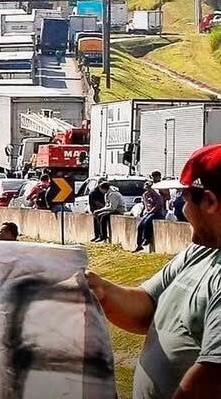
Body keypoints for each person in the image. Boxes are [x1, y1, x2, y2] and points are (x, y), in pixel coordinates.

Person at [86, 144, 221, 398]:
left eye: (185, 199)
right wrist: (101, 290)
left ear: (210, 201)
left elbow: (212, 380)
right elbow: (148, 307)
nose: (182, 209)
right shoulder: (202, 250)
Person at [135, 180, 165, 252]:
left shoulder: (157, 195)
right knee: (140, 225)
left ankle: (147, 238)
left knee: (147, 222)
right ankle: (139, 244)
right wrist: (146, 211)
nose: (148, 190)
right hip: (149, 211)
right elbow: (146, 204)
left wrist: (150, 211)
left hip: (157, 213)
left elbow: (158, 205)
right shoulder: (145, 195)